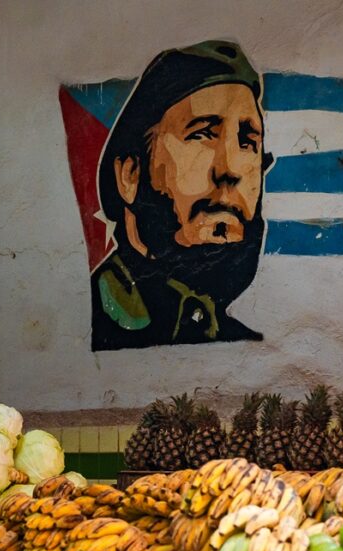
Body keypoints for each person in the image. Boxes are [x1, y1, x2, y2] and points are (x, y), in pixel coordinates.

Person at [90, 40, 271, 351]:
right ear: (130, 175)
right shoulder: (107, 315)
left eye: (248, 141)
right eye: (202, 134)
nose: (229, 169)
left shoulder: (227, 334)